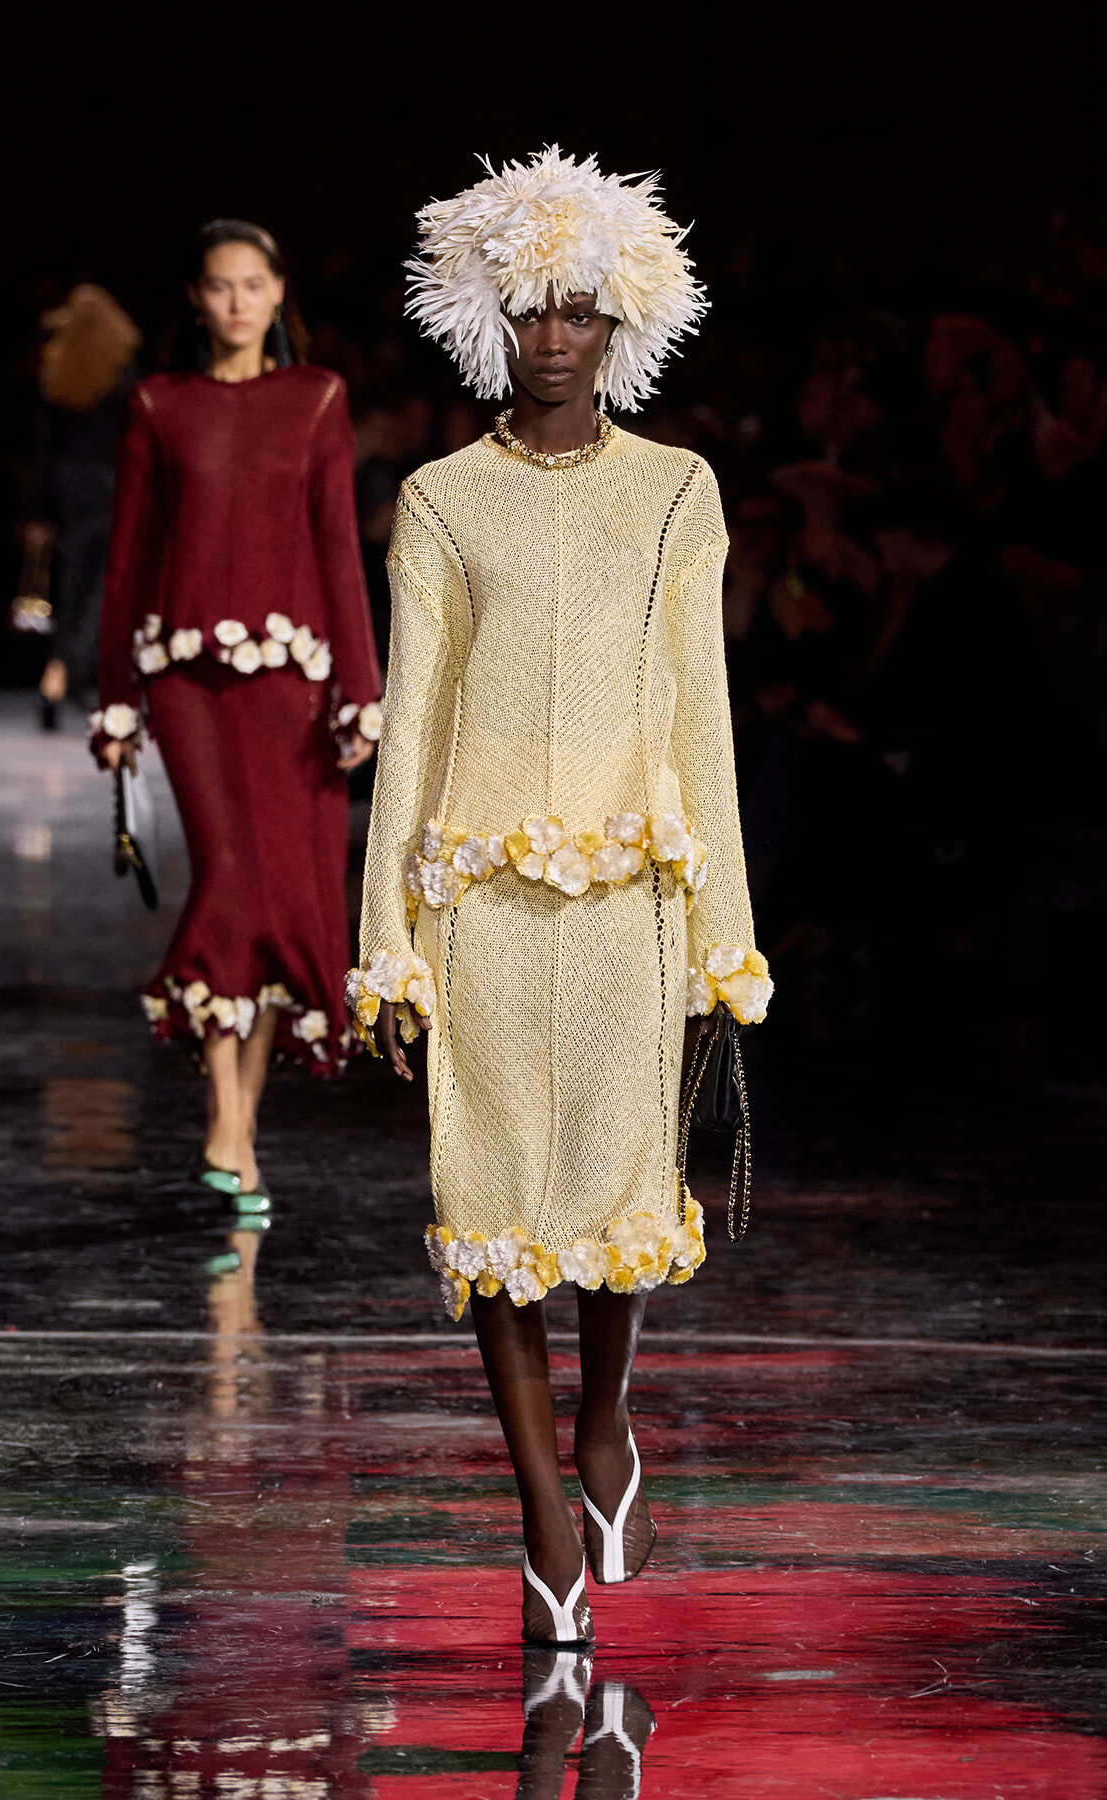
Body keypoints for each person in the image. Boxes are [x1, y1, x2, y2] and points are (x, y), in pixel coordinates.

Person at [348, 150, 772, 1645]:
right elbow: (417, 716)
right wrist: (383, 943)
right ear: (485, 316)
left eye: (579, 312)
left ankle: (605, 1431)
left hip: (627, 905)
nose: (551, 338)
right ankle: (540, 1504)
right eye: (527, 309)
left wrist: (728, 938)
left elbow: (702, 711)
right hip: (479, 898)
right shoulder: (442, 501)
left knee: (610, 1193)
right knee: (491, 1204)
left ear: (621, 324)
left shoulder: (677, 493)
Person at [93, 219, 381, 1206]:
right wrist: (113, 700)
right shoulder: (158, 405)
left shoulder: (317, 398)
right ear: (195, 296)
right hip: (183, 679)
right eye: (218, 285)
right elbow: (125, 560)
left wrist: (365, 689)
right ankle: (225, 1112)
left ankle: (240, 1123)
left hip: (295, 679)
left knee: (287, 902)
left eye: (252, 284)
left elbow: (339, 546)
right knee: (228, 872)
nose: (235, 302)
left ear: (277, 291)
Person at [26, 285, 141, 728]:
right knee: (104, 587)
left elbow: (46, 450)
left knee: (76, 584)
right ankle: (65, 672)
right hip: (114, 486)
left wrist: (40, 511)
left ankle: (60, 672)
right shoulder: (123, 372)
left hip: (71, 489)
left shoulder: (57, 373)